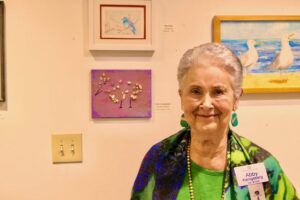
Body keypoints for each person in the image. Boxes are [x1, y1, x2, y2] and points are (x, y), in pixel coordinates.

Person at [131, 43, 299, 200]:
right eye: (195, 91)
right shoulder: (159, 158)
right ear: (181, 97)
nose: (206, 104)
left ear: (236, 98)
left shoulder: (261, 164)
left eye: (218, 92)